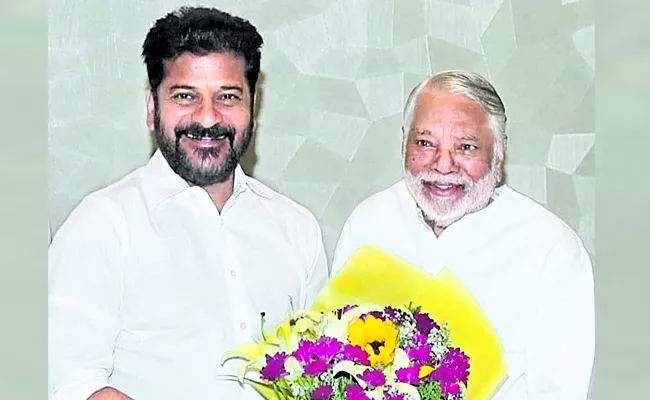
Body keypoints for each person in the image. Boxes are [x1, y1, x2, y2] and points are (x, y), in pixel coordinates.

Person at [48, 6, 328, 400]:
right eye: (185, 96)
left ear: (253, 107)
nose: (208, 118)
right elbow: (73, 384)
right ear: (152, 108)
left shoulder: (297, 228)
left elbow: (318, 376)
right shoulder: (102, 225)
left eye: (227, 96)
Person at [331, 71, 594, 399]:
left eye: (466, 147)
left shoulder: (551, 249)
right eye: (425, 143)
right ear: (403, 142)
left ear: (499, 153)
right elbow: (331, 358)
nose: (443, 166)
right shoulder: (369, 222)